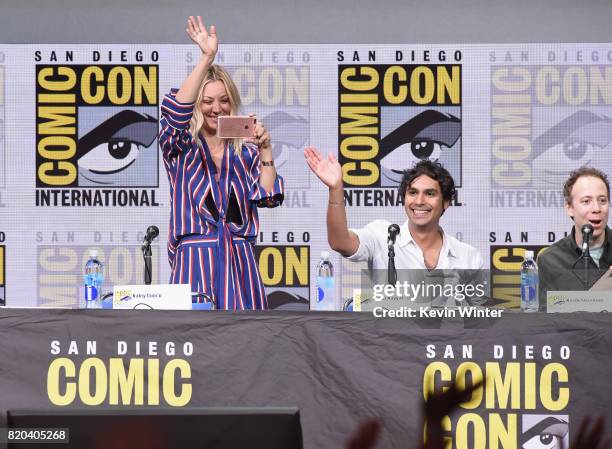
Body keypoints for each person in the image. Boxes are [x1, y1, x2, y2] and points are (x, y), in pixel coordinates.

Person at [158, 17, 284, 310]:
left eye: (225, 100)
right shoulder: (180, 147)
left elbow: (266, 198)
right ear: (196, 105)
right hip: (193, 259)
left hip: (240, 261)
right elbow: (176, 112)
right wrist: (206, 58)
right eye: (208, 101)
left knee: (245, 346)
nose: (217, 108)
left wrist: (265, 149)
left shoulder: (246, 151)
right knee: (192, 345)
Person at [304, 148, 483, 306]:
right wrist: (336, 189)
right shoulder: (383, 235)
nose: (419, 201)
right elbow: (340, 242)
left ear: (445, 203)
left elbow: (482, 322)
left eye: (430, 194)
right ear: (404, 198)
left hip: (444, 343)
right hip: (388, 343)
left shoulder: (469, 256)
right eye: (412, 193)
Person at [538, 167, 612, 305]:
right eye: (586, 201)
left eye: (602, 200)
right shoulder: (551, 259)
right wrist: (594, 297)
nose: (596, 208)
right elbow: (548, 316)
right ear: (569, 208)